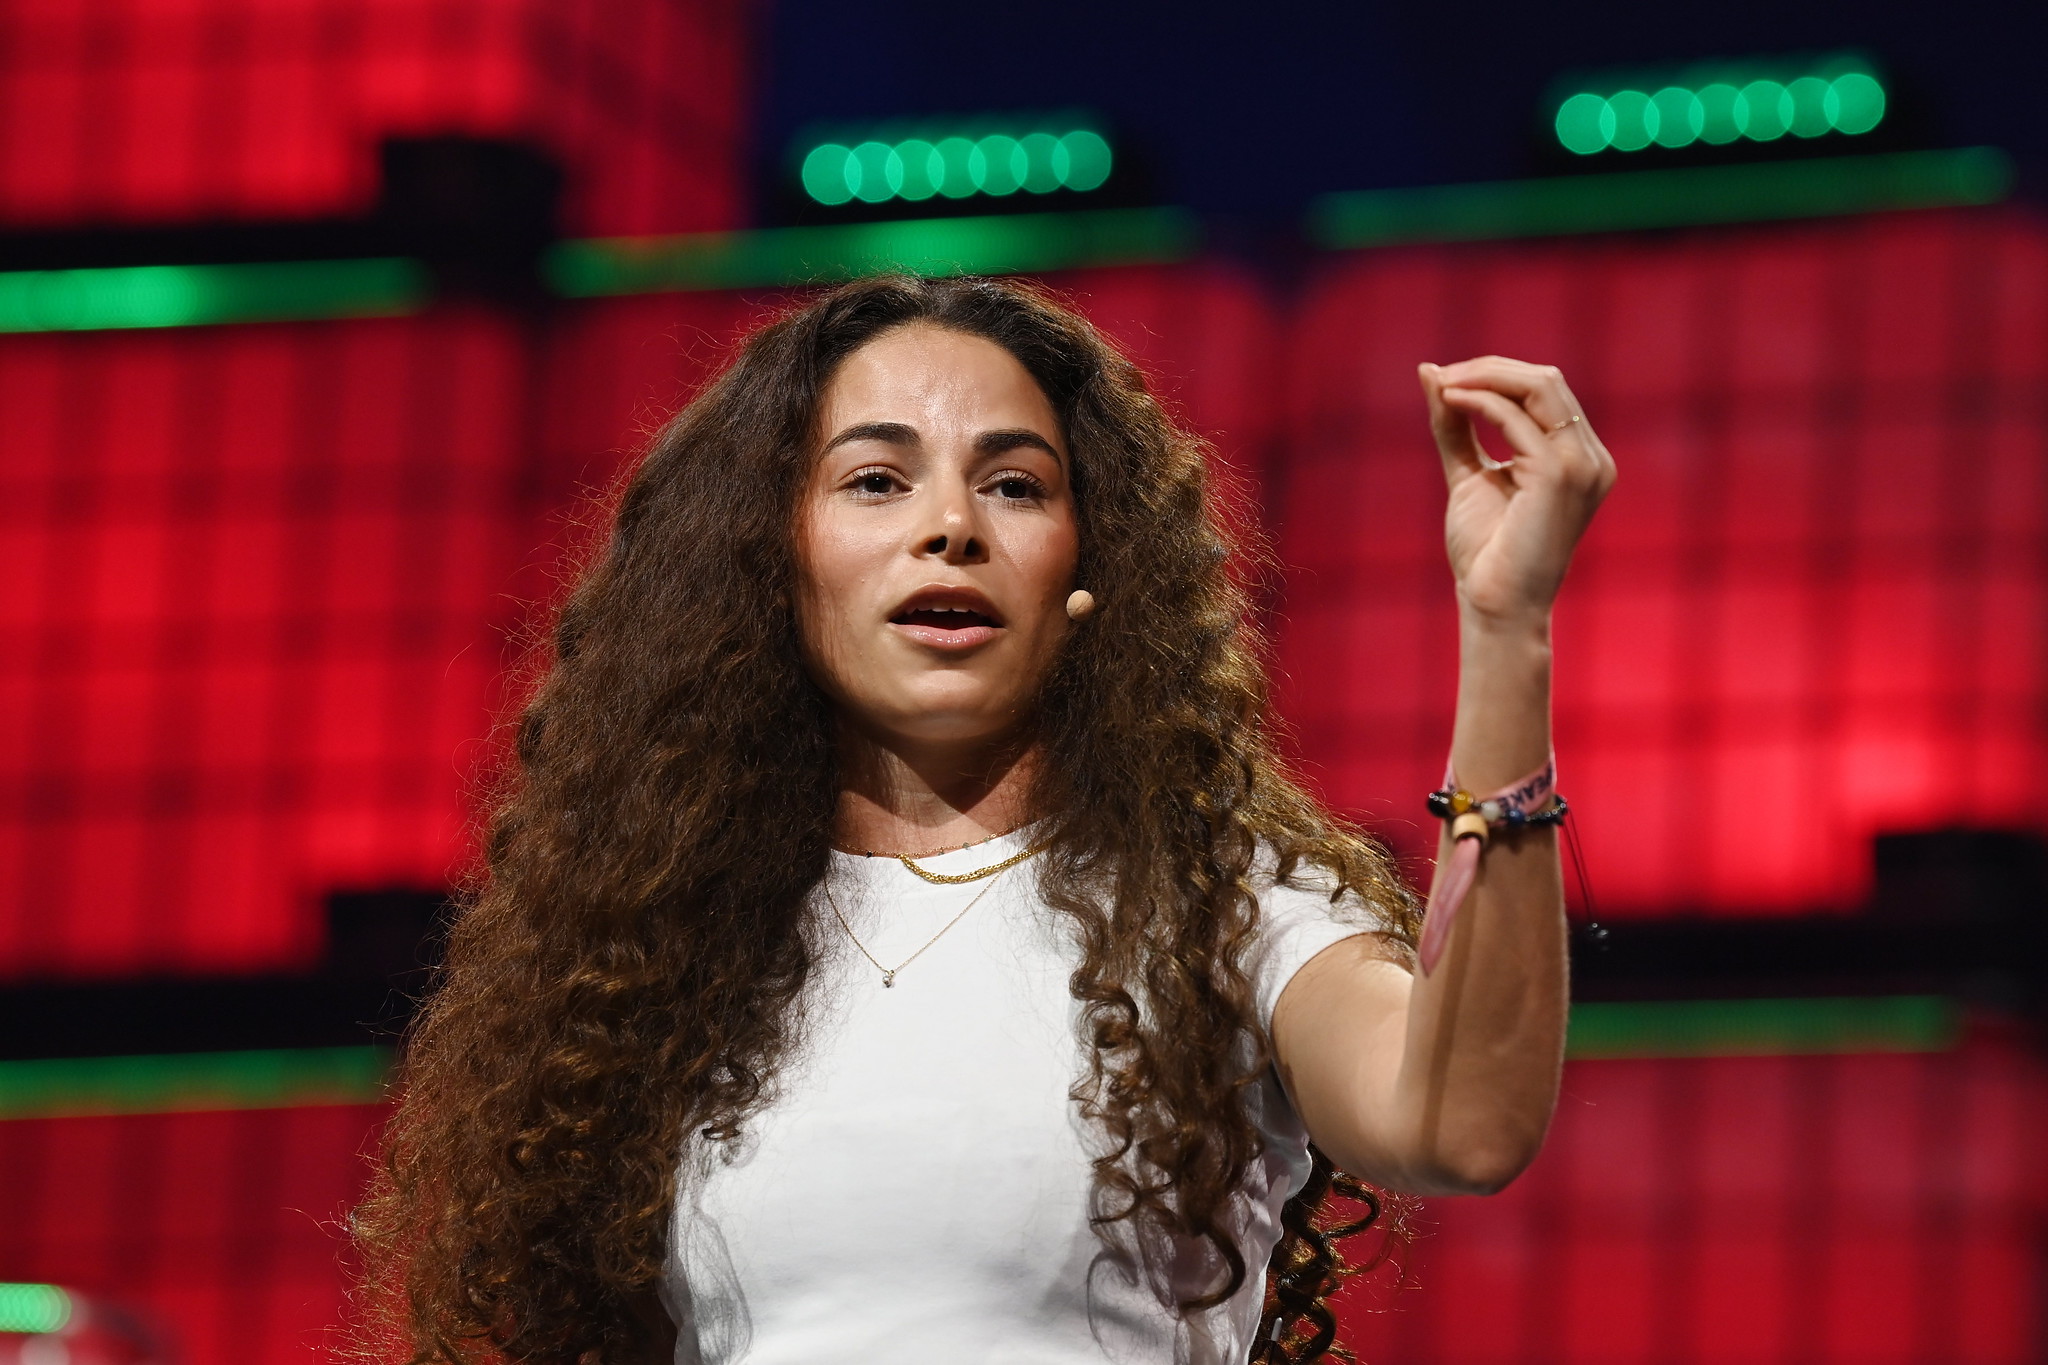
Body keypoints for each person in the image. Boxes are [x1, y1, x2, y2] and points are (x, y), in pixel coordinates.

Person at [348, 274, 1615, 1365]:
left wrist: (1505, 634)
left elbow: (1457, 1123)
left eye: (1012, 485)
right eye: (876, 480)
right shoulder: (659, 943)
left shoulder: (1219, 901)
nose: (948, 527)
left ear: (1082, 570)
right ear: (775, 560)